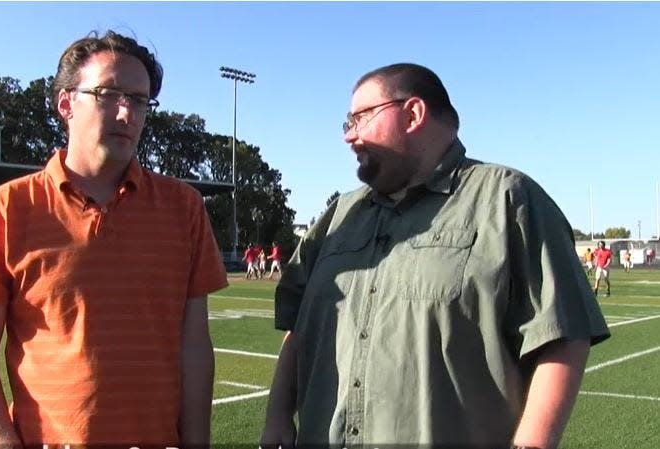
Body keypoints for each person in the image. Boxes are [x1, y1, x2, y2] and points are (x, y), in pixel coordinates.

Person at [261, 63, 610, 449]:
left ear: (413, 114)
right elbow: (299, 328)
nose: (350, 136)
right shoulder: (337, 217)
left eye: (360, 118)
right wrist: (277, 415)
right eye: (348, 123)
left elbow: (562, 337)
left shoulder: (507, 199)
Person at [0, 30, 228, 448]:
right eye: (109, 94)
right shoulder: (8, 207)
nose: (126, 113)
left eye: (139, 100)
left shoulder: (184, 208)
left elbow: (194, 349)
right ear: (66, 103)